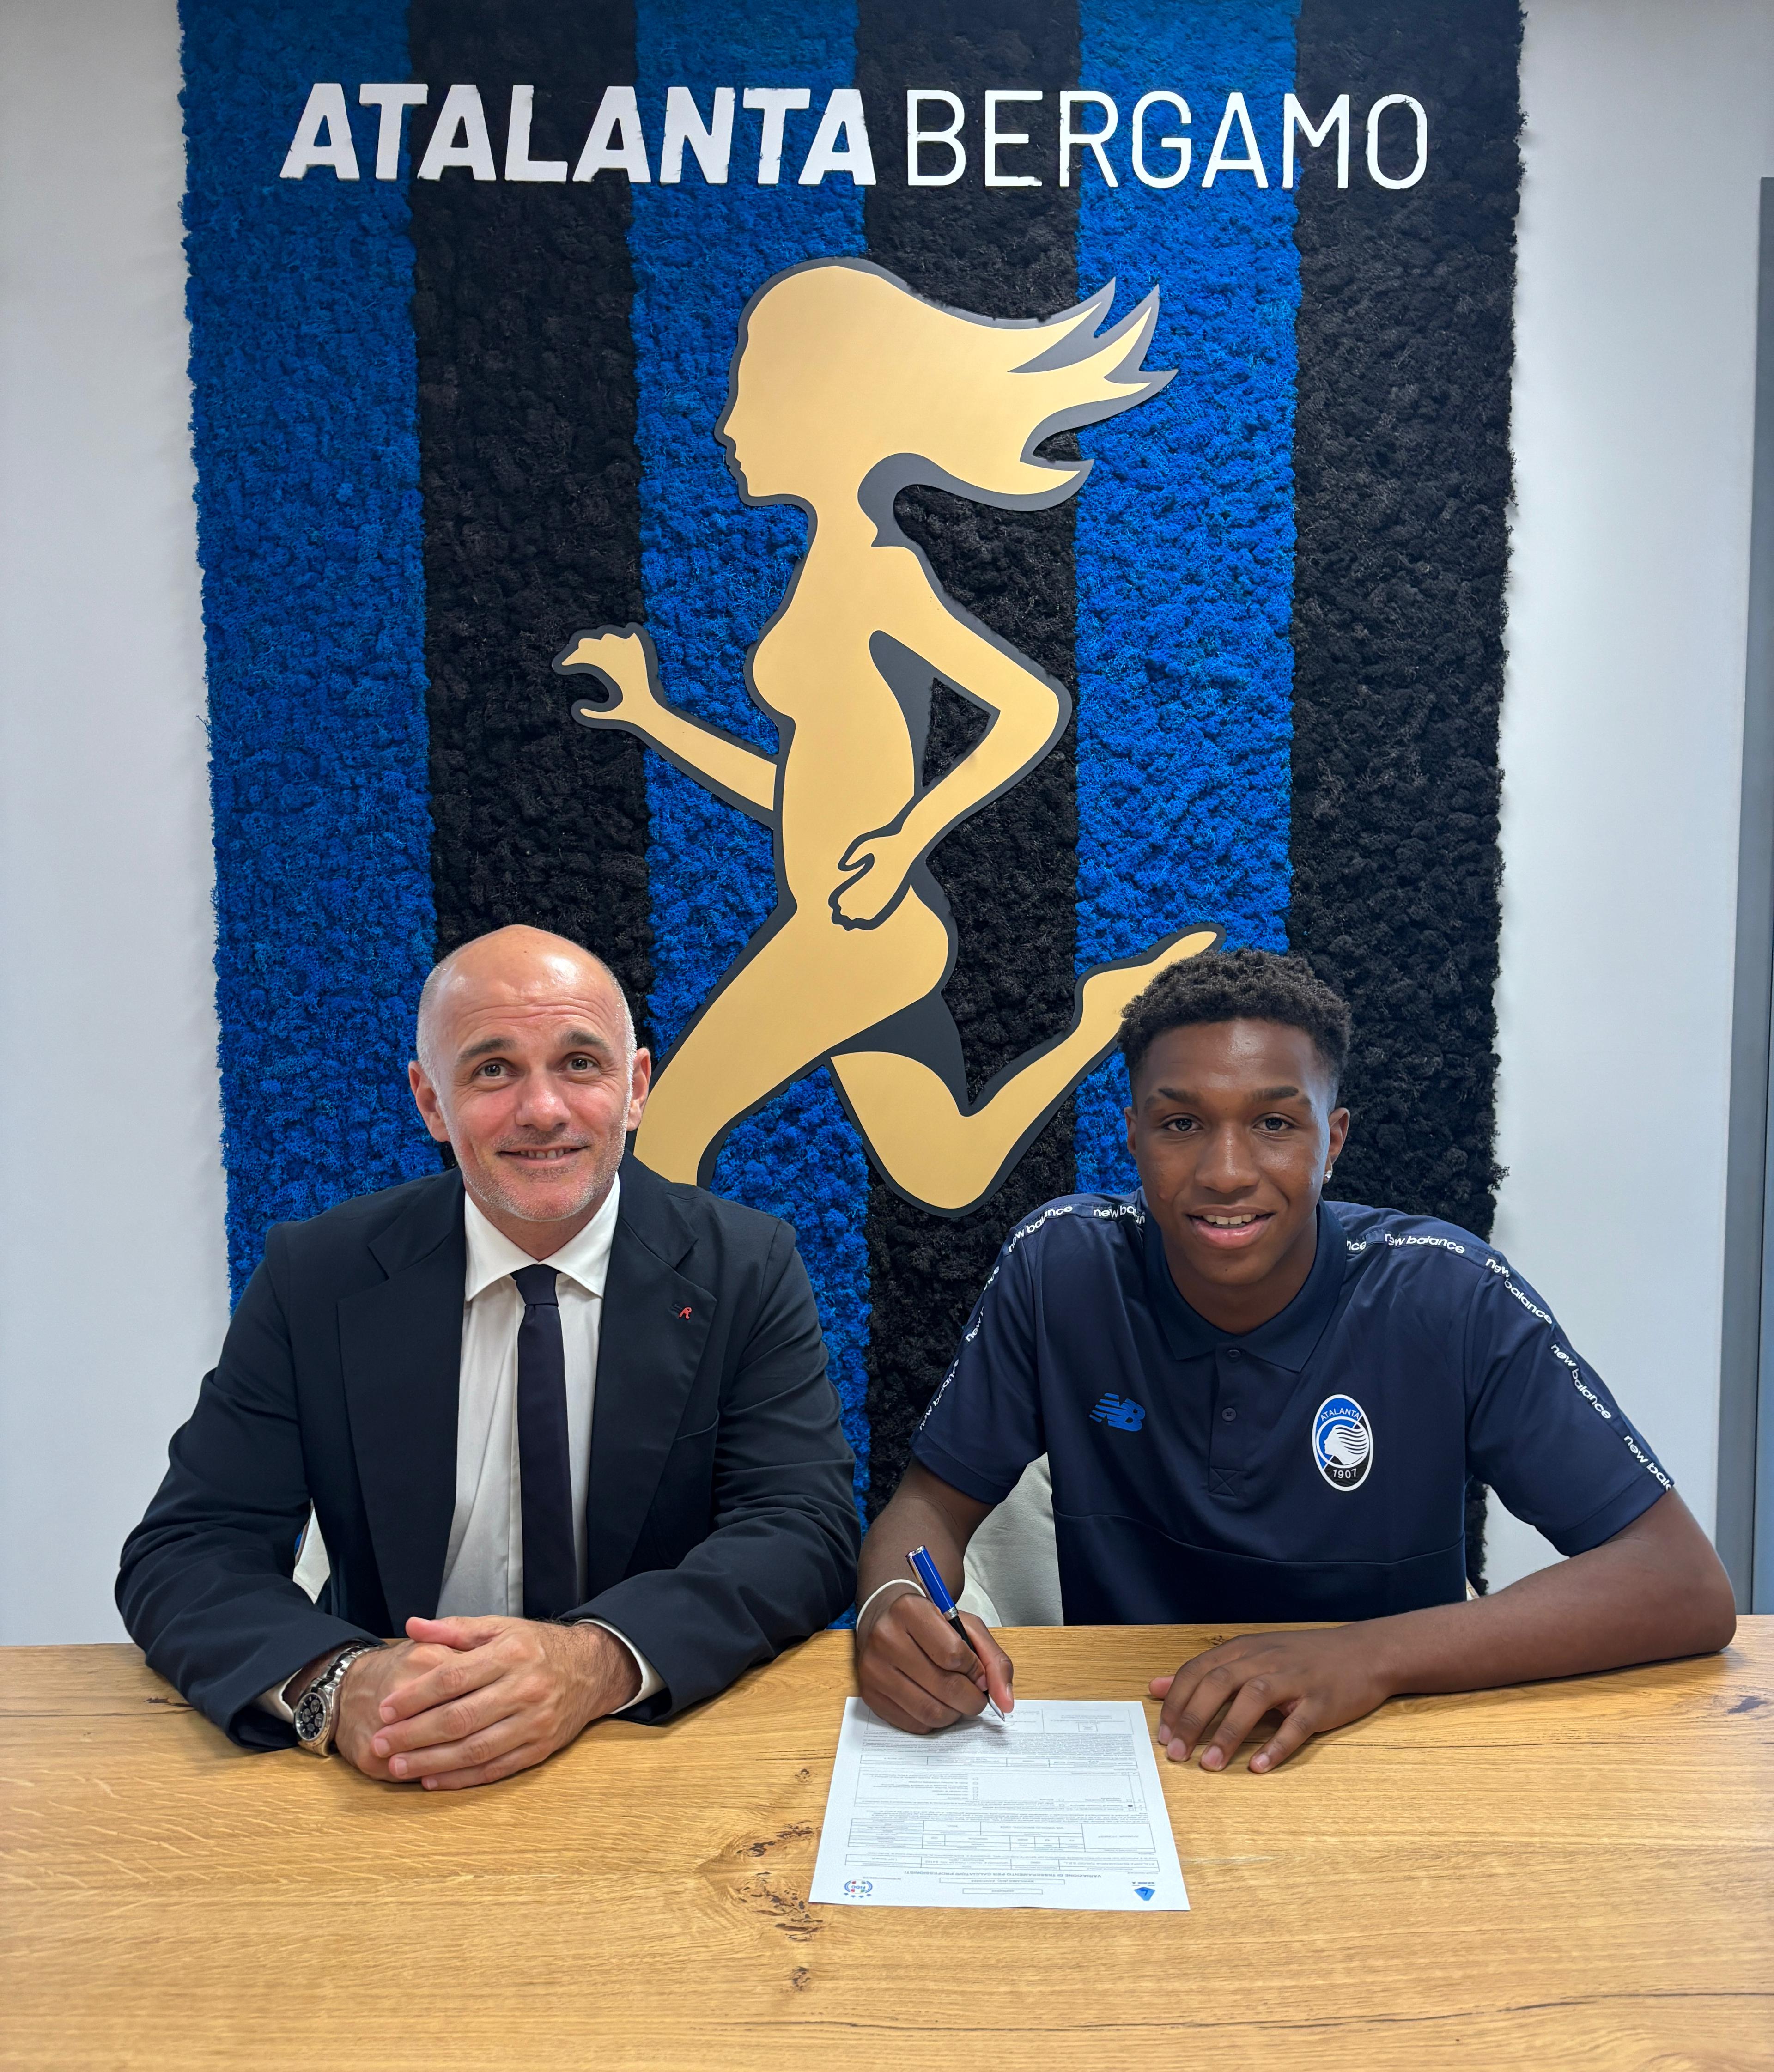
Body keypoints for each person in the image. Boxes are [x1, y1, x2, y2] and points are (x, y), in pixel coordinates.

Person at [854, 948, 1736, 1769]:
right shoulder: (1060, 1269)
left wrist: (1368, 1656)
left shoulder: (1451, 1294)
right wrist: (892, 1605)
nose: (1226, 1171)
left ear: (1334, 1139)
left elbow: (1681, 1582)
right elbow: (927, 1508)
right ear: (1132, 1134)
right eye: (1181, 1123)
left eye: (1274, 1122)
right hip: (1141, 1751)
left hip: (1393, 1748)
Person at [119, 925, 858, 1790]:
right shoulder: (315, 1276)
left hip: (649, 1754)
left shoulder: (746, 1266)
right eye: (494, 1070)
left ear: (635, 1088)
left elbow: (803, 1530)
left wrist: (595, 1661)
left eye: (580, 1063)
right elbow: (190, 1549)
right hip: (393, 1762)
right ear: (431, 1102)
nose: (543, 1109)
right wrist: (340, 1684)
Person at [556, 258, 1217, 1213]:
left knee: (662, 1141)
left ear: (826, 409)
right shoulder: (830, 573)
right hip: (857, 929)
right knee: (945, 1169)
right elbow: (800, 792)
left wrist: (908, 838)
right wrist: (653, 717)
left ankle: (718, 1319)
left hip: (852, 936)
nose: (729, 424)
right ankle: (1102, 1017)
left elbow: (1028, 708)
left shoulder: (876, 573)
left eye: (751, 390)